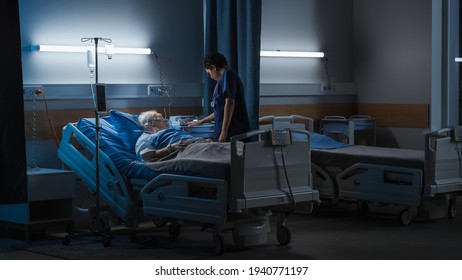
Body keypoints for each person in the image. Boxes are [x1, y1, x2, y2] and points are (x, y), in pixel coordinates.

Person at [187, 52, 250, 142]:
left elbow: (230, 103)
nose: (211, 77)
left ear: (213, 67)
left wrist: (224, 131)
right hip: (227, 131)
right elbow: (219, 111)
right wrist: (200, 122)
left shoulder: (228, 75)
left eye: (209, 73)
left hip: (232, 132)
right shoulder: (223, 80)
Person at [135, 110, 210, 161]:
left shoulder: (172, 130)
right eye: (162, 120)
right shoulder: (146, 138)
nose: (166, 121)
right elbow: (144, 156)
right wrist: (170, 148)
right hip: (185, 151)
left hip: (197, 144)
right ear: (151, 123)